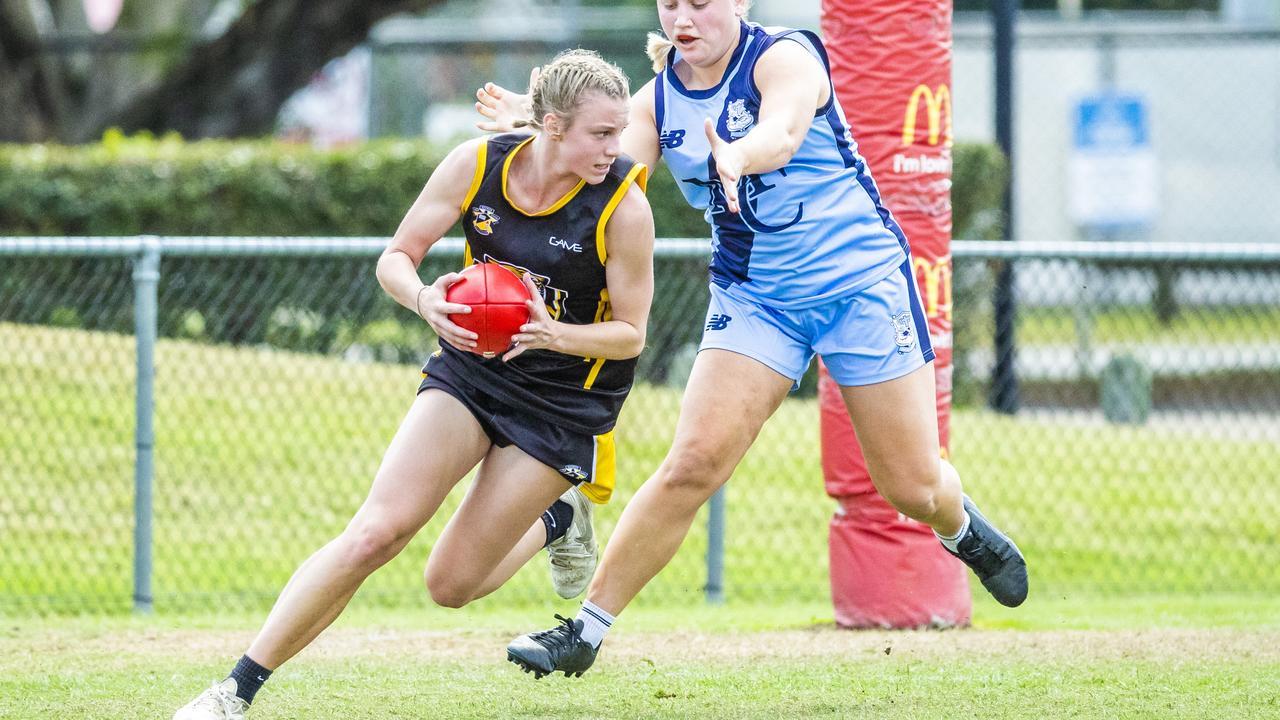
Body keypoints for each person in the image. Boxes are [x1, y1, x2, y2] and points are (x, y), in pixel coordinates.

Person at [475, 0, 1028, 679]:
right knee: (692, 464)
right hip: (757, 301)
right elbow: (605, 169)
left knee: (910, 488)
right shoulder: (654, 106)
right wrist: (542, 136)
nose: (683, 15)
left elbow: (784, 132)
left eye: (701, 2)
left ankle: (959, 527)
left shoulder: (783, 57)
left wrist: (735, 155)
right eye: (671, 2)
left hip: (860, 287)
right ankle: (584, 632)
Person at [172, 49, 654, 719]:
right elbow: (396, 258)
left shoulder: (622, 208)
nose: (616, 146)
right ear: (551, 125)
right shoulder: (477, 164)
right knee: (376, 532)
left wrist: (555, 334)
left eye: (620, 130)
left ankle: (557, 517)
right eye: (601, 133)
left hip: (561, 405)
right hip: (471, 371)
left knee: (449, 585)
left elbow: (631, 333)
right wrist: (425, 300)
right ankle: (235, 689)